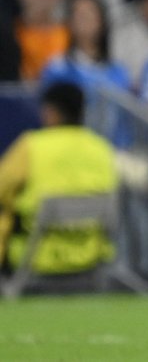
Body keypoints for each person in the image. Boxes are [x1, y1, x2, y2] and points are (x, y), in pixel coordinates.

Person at [0, 82, 117, 276]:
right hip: (89, 255)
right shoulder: (101, 148)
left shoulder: (31, 146)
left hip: (34, 255)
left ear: (51, 112)